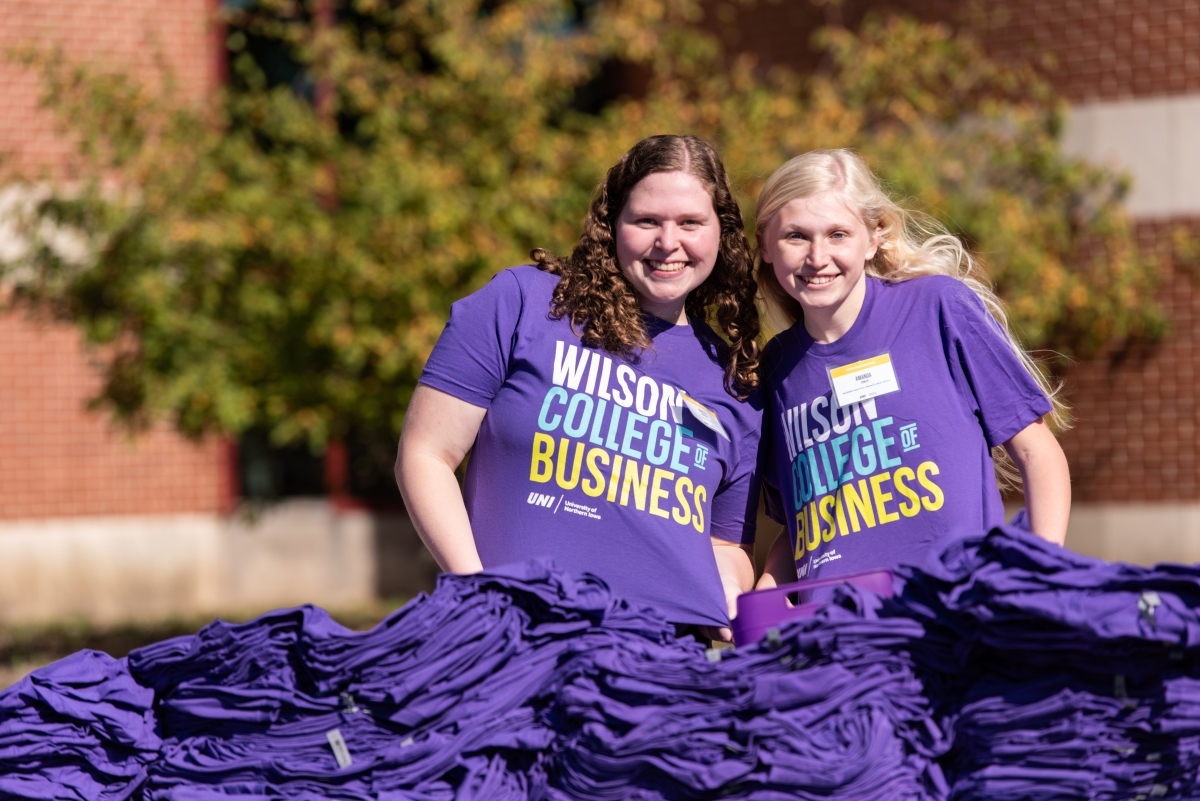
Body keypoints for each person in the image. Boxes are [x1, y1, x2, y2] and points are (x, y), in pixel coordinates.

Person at [396, 135, 763, 637]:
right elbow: (425, 454)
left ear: (722, 234)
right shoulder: (523, 302)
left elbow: (724, 548)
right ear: (613, 224)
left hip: (662, 663)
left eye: (691, 223)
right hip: (513, 638)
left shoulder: (736, 384)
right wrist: (478, 596)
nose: (668, 242)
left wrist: (727, 590)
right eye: (647, 221)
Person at [754, 149, 1071, 591]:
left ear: (875, 236)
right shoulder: (773, 369)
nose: (817, 256)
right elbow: (805, 522)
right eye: (796, 236)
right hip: (834, 633)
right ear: (767, 246)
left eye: (838, 234)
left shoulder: (938, 306)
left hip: (953, 615)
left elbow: (1039, 453)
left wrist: (1045, 572)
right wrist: (765, 594)